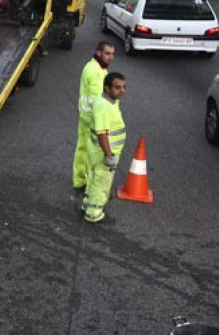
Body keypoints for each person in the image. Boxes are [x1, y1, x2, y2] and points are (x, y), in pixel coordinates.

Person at [82, 72, 127, 224]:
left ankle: (87, 204)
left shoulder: (107, 101)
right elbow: (102, 134)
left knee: (95, 179)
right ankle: (94, 213)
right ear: (107, 88)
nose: (122, 91)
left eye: (123, 87)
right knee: (102, 182)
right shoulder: (104, 107)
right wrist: (109, 155)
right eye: (117, 88)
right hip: (103, 152)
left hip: (97, 149)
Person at [73, 41, 115, 193]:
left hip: (85, 117)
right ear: (99, 53)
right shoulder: (97, 72)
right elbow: (98, 101)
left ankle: (79, 180)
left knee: (82, 149)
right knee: (94, 156)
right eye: (107, 53)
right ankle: (91, 188)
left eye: (112, 54)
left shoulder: (92, 66)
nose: (111, 57)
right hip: (93, 121)